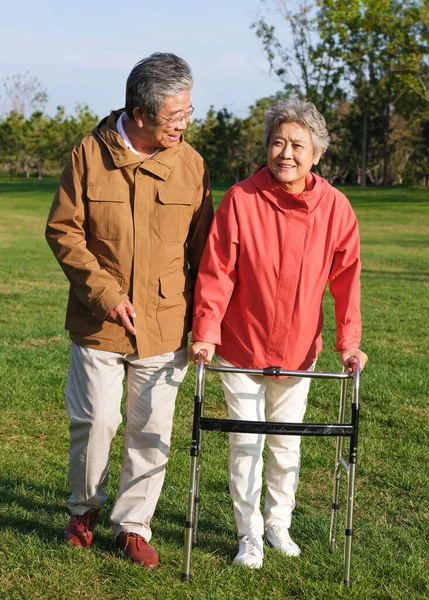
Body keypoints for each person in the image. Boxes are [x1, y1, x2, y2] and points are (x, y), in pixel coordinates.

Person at [46, 53, 213, 568]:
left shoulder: (191, 163)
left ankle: (133, 525)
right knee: (95, 422)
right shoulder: (87, 155)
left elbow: (205, 250)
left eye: (188, 112)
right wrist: (108, 295)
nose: (184, 124)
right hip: (98, 323)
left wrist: (205, 321)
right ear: (139, 114)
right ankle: (84, 510)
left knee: (152, 430)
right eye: (174, 116)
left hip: (166, 327)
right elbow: (63, 231)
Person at [188, 98, 368, 569]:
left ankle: (277, 524)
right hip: (240, 346)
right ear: (266, 147)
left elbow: (346, 278)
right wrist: (206, 331)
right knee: (246, 442)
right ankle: (248, 534)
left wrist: (349, 342)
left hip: (298, 351)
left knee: (287, 443)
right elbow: (217, 271)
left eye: (297, 145)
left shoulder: (335, 207)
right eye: (277, 142)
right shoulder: (241, 198)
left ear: (317, 153)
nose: (285, 153)